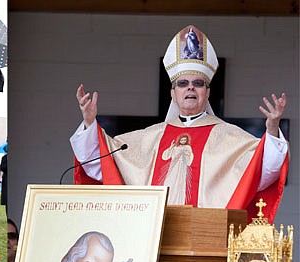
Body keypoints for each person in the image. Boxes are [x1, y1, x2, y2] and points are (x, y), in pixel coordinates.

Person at [70, 25, 288, 222]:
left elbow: (262, 170)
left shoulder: (231, 138)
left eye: (198, 84)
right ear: (173, 93)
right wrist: (89, 123)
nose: (190, 88)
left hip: (203, 239)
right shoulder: (149, 138)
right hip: (153, 238)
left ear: (207, 92)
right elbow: (102, 164)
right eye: (182, 83)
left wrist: (272, 128)